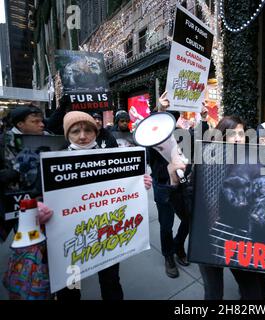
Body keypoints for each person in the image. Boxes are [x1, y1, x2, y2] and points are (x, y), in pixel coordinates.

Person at [39, 111, 152, 300]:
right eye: (75, 131)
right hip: (71, 242)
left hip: (106, 234)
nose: (82, 136)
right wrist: (39, 208)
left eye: (88, 130)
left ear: (96, 132)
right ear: (67, 135)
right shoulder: (52, 162)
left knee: (110, 281)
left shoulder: (112, 157)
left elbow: (123, 189)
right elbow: (38, 197)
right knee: (71, 288)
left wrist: (140, 185)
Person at [168, 115, 265, 300]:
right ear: (222, 136)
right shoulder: (204, 164)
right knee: (213, 294)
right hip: (208, 240)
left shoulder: (252, 164)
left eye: (242, 133)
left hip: (240, 240)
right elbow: (186, 212)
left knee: (252, 292)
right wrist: (175, 183)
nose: (239, 138)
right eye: (233, 134)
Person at [148, 92, 190, 279]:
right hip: (163, 186)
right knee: (166, 225)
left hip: (181, 185)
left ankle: (178, 245)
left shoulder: (182, 135)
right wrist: (160, 109)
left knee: (188, 220)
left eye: (172, 119)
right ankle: (168, 256)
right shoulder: (151, 136)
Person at [0, 106, 49, 242]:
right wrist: (11, 173)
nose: (41, 125)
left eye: (41, 121)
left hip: (41, 203)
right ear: (20, 124)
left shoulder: (48, 137)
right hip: (14, 206)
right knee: (24, 242)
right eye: (35, 122)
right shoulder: (3, 142)